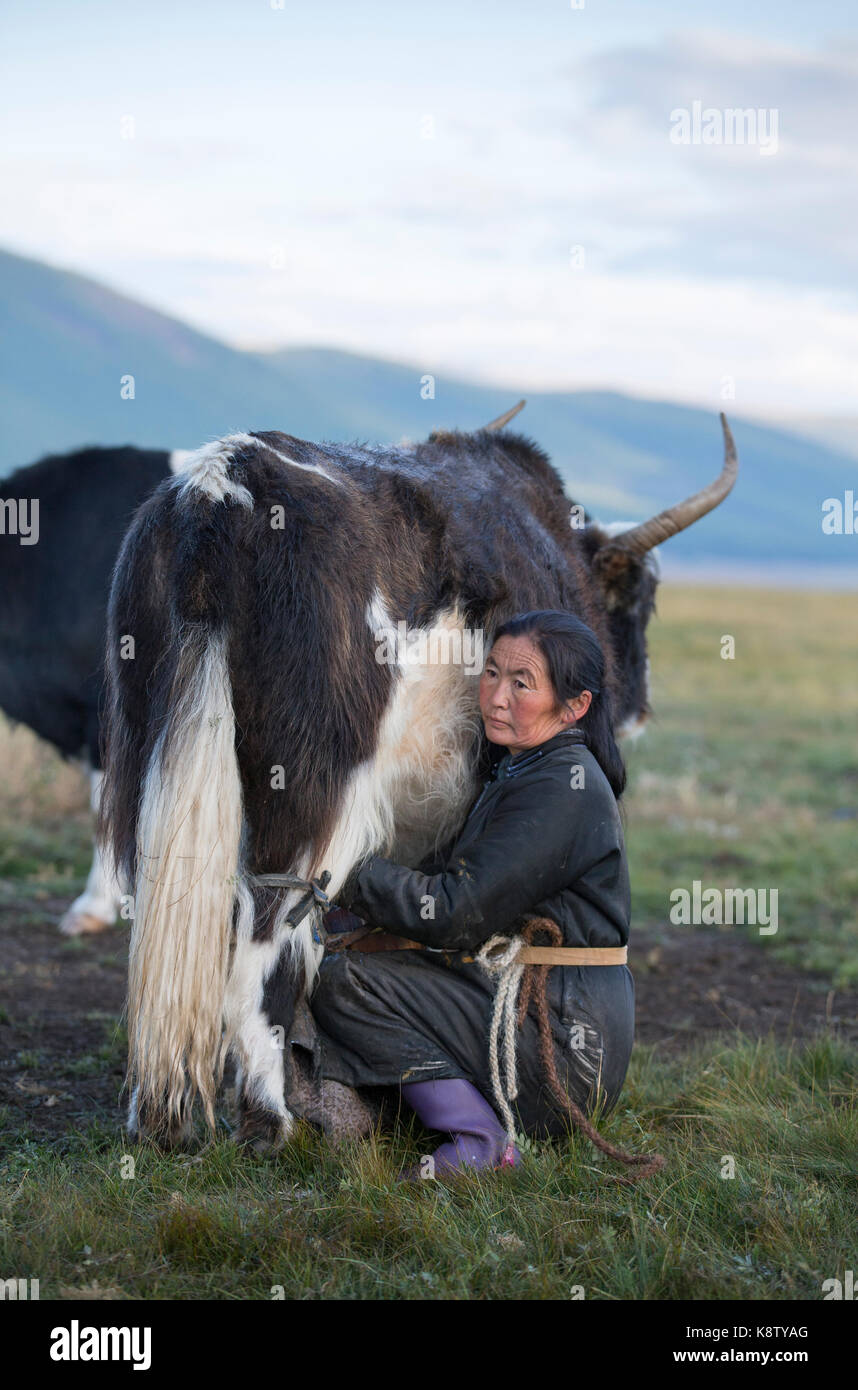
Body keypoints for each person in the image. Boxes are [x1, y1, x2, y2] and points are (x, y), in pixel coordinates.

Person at [310, 610, 640, 1180]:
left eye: (522, 683)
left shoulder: (563, 786)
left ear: (575, 706)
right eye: (491, 673)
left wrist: (339, 866)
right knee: (344, 951)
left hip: (566, 1051)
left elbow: (456, 912)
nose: (496, 697)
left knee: (343, 980)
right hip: (553, 1021)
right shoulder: (529, 768)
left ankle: (480, 1137)